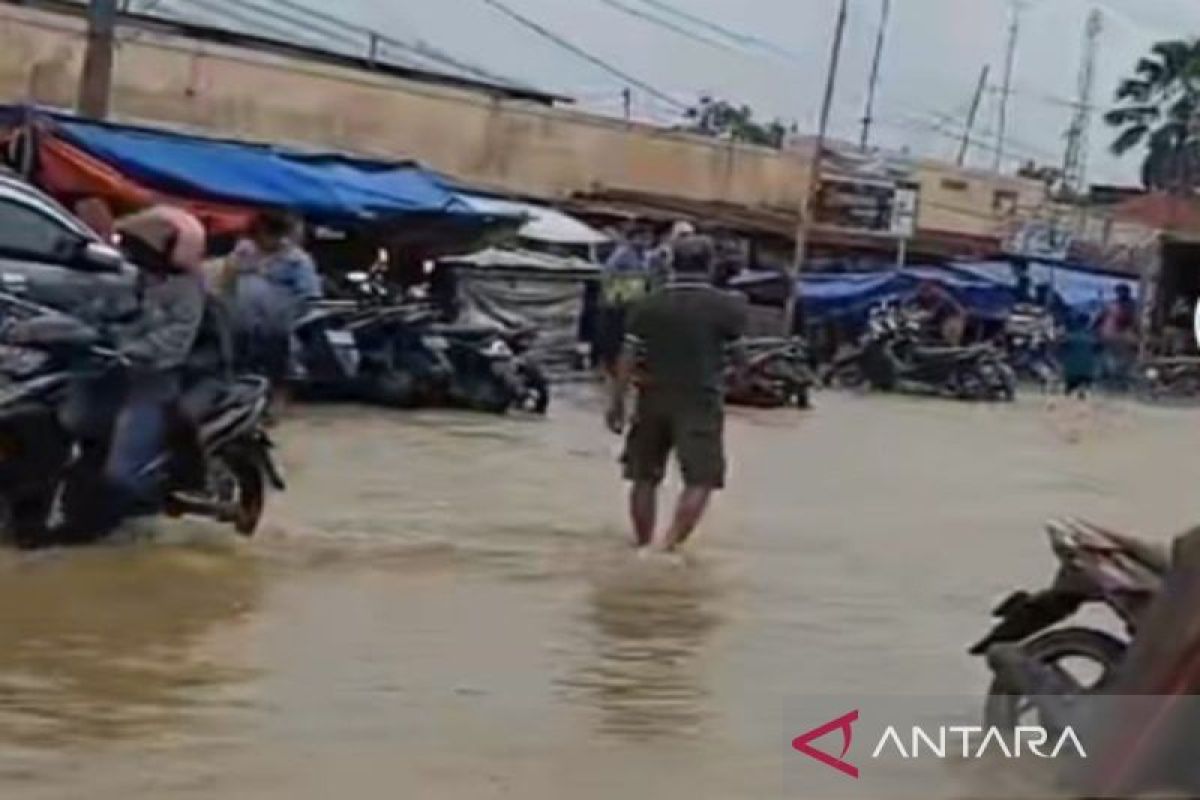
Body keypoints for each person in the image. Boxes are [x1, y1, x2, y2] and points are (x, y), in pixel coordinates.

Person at [17, 206, 211, 543]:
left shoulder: (187, 290)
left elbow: (174, 340)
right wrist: (77, 325)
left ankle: (106, 526)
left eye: (140, 248)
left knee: (121, 469)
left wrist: (130, 350)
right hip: (114, 373)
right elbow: (111, 310)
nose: (132, 253)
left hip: (154, 382)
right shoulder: (141, 279)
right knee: (71, 424)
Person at [605, 234, 748, 553]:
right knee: (701, 478)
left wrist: (616, 402)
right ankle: (669, 546)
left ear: (670, 263)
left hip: (650, 397)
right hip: (701, 400)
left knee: (643, 476)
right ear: (710, 265)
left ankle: (643, 545)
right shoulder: (727, 307)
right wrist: (737, 382)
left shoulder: (647, 305)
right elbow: (740, 360)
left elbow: (627, 357)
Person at [221, 210, 322, 386]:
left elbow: (310, 296)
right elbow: (227, 280)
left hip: (279, 323)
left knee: (277, 362)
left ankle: (279, 390)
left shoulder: (297, 260)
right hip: (241, 320)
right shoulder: (245, 251)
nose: (266, 239)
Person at [593, 226, 651, 376]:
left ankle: (621, 367)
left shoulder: (643, 256)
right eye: (642, 237)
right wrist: (611, 296)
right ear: (632, 238)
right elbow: (608, 276)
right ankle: (609, 367)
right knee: (614, 337)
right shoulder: (622, 255)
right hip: (617, 304)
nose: (646, 241)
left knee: (626, 337)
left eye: (647, 238)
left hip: (633, 303)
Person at [1095, 284, 1138, 390]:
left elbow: (1131, 322)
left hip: (1114, 336)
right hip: (1110, 336)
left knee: (1117, 360)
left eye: (1123, 292)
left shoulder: (1127, 306)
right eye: (1119, 292)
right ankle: (1112, 380)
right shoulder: (1115, 305)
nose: (1121, 294)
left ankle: (1116, 380)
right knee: (1111, 359)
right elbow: (1098, 318)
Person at [907, 279, 967, 345]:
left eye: (927, 289)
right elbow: (909, 303)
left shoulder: (943, 299)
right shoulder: (920, 296)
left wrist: (915, 317)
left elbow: (930, 315)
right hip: (939, 322)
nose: (924, 293)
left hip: (951, 320)